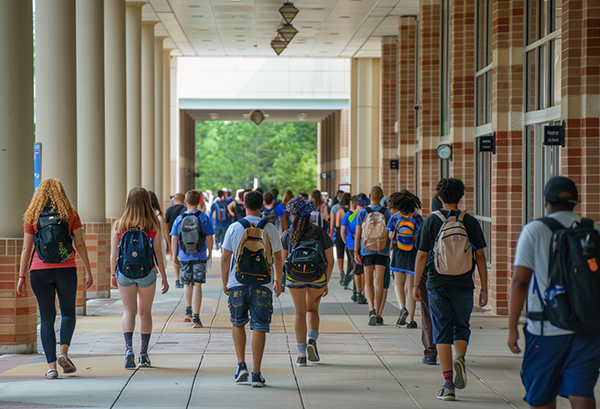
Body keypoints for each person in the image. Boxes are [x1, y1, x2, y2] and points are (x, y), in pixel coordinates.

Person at [509, 176, 600, 409]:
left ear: (546, 200)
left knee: (542, 395)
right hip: (587, 326)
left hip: (545, 328)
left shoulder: (534, 230)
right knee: (581, 390)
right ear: (575, 202)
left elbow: (520, 281)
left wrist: (512, 328)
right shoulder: (593, 230)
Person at [412, 178, 488, 401]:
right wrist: (484, 288)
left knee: (441, 331)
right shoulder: (470, 221)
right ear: (461, 196)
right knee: (461, 326)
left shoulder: (431, 221)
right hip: (464, 284)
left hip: (437, 284)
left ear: (440, 197)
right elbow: (481, 256)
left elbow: (422, 255)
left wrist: (416, 284)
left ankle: (448, 385)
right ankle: (460, 358)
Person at [16, 178, 93, 379]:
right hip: (66, 269)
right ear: (61, 193)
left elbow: (26, 248)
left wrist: (21, 276)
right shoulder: (70, 215)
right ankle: (63, 352)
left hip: (38, 272)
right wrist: (88, 270)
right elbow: (81, 244)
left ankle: (51, 368)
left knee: (47, 317)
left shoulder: (32, 216)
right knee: (68, 313)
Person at [220, 191, 283, 387]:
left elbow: (225, 257)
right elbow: (278, 257)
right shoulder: (270, 228)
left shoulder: (234, 228)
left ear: (243, 205)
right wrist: (278, 281)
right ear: (262, 206)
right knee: (259, 326)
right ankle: (256, 373)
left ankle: (241, 366)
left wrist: (225, 282)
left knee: (238, 323)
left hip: (237, 282)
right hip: (263, 284)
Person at [110, 187, 169, 369]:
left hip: (124, 273)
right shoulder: (153, 224)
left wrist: (113, 273)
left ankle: (129, 350)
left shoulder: (119, 224)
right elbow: (158, 252)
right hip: (147, 273)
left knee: (128, 311)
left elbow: (114, 254)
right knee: (145, 312)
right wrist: (164, 278)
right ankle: (143, 354)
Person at [281, 197, 334, 366]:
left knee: (299, 313)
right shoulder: (321, 233)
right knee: (312, 310)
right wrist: (325, 281)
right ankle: (312, 339)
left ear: (291, 214)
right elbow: (330, 260)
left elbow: (284, 262)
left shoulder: (288, 235)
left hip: (295, 277)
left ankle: (301, 355)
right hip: (317, 277)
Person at [171, 190, 214, 328]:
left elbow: (174, 238)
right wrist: (210, 253)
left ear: (186, 202)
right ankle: (196, 317)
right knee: (198, 285)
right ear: (200, 202)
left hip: (184, 256)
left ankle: (187, 312)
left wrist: (174, 255)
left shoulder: (179, 218)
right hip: (199, 256)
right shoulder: (204, 218)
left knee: (187, 283)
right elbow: (209, 237)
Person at [354, 186, 392, 325]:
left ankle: (371, 310)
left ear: (369, 195)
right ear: (382, 197)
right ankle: (378, 313)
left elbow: (358, 234)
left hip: (367, 250)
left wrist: (356, 252)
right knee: (379, 282)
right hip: (382, 251)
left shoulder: (363, 212)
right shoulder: (386, 212)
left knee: (368, 281)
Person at [386, 190, 423, 329]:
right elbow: (420, 236)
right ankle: (412, 320)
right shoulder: (417, 218)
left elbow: (389, 234)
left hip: (398, 253)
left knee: (398, 284)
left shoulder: (395, 217)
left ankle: (402, 308)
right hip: (413, 254)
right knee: (411, 286)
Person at [342, 194, 367, 303]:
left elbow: (342, 231)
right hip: (363, 245)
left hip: (351, 245)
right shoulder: (365, 214)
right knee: (361, 270)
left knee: (356, 269)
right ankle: (359, 293)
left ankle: (357, 293)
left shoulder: (348, 215)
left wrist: (346, 242)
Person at [166, 193, 186, 288]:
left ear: (174, 200)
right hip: (185, 238)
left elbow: (166, 227)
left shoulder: (169, 210)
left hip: (173, 236)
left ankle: (177, 279)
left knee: (175, 257)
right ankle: (183, 277)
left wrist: (168, 241)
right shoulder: (185, 210)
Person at [149, 191, 170, 276]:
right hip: (161, 240)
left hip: (153, 240)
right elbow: (165, 230)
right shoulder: (160, 214)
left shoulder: (151, 215)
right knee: (160, 258)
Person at [334, 193, 351, 284]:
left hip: (340, 232)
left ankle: (341, 272)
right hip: (349, 233)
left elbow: (337, 224)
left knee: (340, 253)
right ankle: (348, 272)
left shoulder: (340, 211)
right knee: (349, 254)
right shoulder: (353, 210)